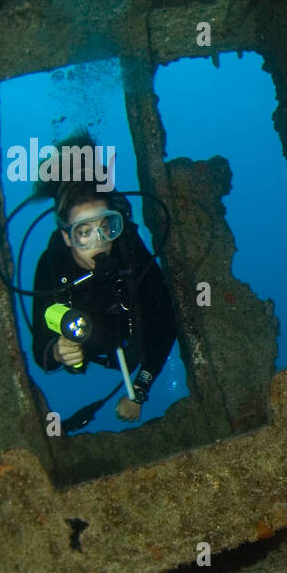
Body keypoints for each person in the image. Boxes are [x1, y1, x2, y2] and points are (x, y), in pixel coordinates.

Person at [31, 169, 178, 423]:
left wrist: (140, 389)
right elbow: (40, 353)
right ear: (67, 236)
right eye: (84, 232)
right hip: (92, 347)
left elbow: (166, 323)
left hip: (128, 343)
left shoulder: (128, 250)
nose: (99, 241)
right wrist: (58, 351)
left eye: (105, 227)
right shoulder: (52, 266)